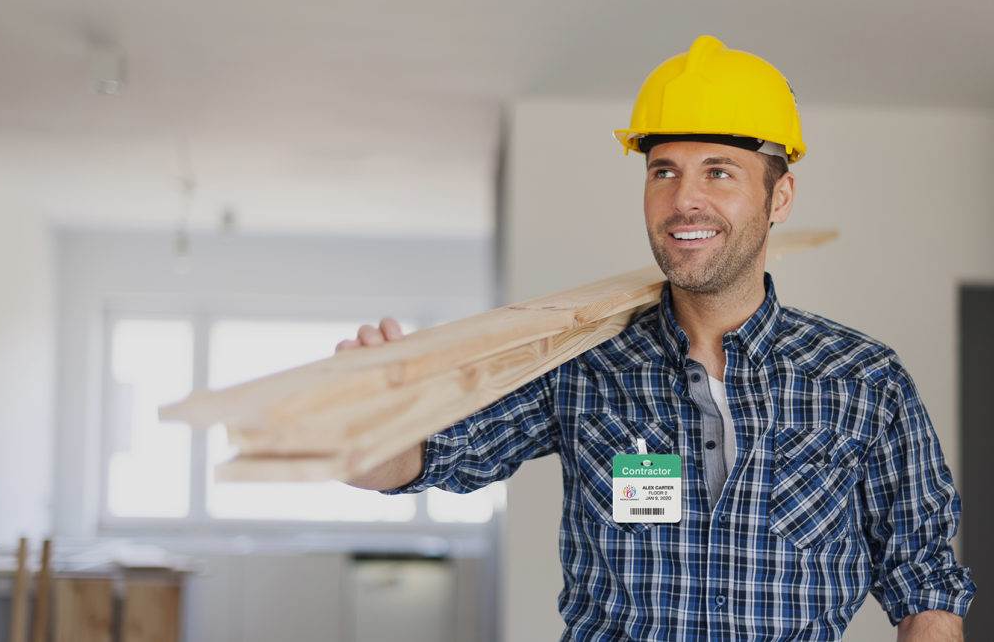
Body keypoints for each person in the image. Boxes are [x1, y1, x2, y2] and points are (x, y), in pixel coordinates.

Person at [336, 35, 974, 640]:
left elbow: (923, 577)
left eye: (719, 172)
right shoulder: (584, 362)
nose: (684, 200)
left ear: (779, 198)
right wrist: (366, 426)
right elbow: (435, 455)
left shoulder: (864, 380)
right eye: (664, 171)